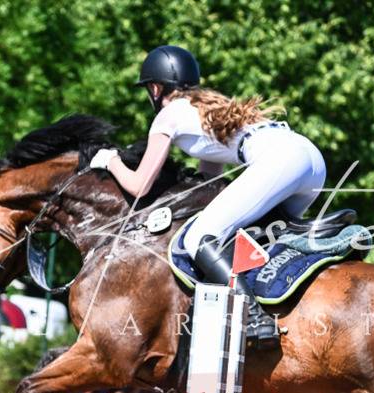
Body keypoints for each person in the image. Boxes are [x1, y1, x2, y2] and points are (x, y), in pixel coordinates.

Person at [90, 45, 327, 349]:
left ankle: (255, 318)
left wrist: (110, 160)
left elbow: (140, 186)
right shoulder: (205, 108)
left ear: (155, 87)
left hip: (281, 160)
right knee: (259, 241)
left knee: (197, 238)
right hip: (309, 160)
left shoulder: (168, 115)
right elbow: (209, 179)